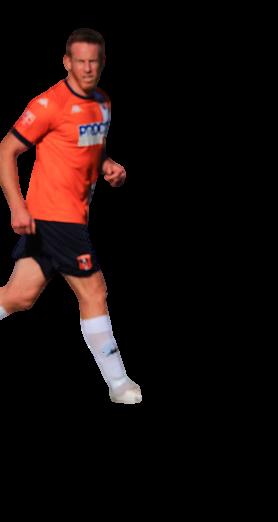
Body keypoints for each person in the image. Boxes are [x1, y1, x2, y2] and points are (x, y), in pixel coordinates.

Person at [0, 28, 141, 404]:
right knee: (94, 291)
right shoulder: (48, 104)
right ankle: (119, 384)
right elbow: (7, 149)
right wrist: (17, 206)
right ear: (67, 62)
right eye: (80, 61)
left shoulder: (104, 103)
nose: (87, 68)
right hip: (54, 217)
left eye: (94, 61)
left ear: (103, 63)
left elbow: (89, 151)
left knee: (19, 297)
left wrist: (108, 166)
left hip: (73, 216)